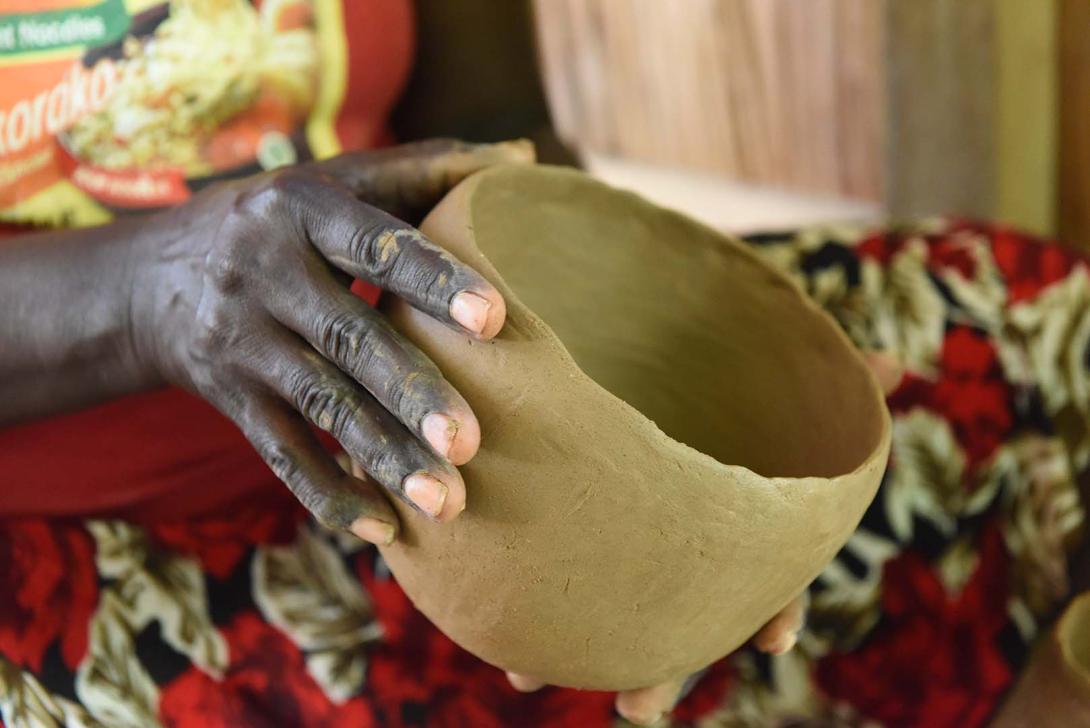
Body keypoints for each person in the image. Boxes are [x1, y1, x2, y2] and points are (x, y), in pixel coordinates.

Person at [2, 2, 1088, 727]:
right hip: (87, 535)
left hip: (431, 399)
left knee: (1047, 332)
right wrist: (154, 292)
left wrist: (689, 355)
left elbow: (493, 133)